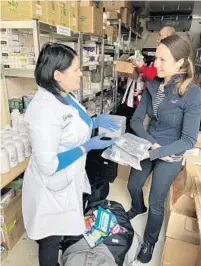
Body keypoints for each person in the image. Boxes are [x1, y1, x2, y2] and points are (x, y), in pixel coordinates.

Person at [22, 43, 119, 266]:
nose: (81, 73)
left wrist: (95, 121)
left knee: (61, 228)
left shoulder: (65, 95)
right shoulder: (43, 111)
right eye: (75, 69)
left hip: (69, 177)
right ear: (58, 74)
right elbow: (48, 165)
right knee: (50, 238)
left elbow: (73, 125)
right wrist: (87, 147)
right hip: (51, 187)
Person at [127, 35, 201, 263]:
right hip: (151, 143)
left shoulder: (192, 93)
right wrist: (152, 145)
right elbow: (136, 122)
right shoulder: (153, 87)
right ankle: (138, 207)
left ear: (180, 63)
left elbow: (188, 140)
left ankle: (149, 241)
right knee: (133, 185)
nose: (154, 64)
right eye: (155, 58)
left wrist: (159, 152)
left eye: (162, 59)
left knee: (157, 200)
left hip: (172, 152)